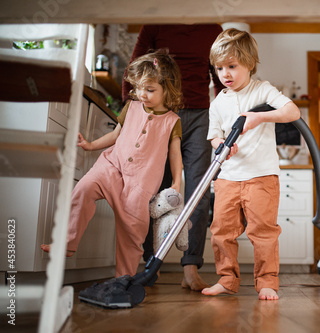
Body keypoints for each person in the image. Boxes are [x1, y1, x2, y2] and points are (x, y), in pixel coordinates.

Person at [42, 49, 183, 278]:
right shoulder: (131, 107)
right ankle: (66, 243)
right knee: (83, 189)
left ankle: (123, 280)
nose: (142, 94)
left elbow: (175, 154)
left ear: (168, 89)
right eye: (138, 88)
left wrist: (176, 182)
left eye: (150, 90)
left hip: (140, 184)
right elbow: (116, 135)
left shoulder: (172, 121)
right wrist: (91, 144)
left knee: (133, 231)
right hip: (111, 165)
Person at [122, 24, 225, 291]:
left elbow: (218, 77)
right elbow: (135, 65)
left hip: (201, 116)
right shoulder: (155, 24)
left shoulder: (212, 29)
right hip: (160, 113)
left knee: (198, 191)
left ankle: (190, 268)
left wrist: (222, 116)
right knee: (152, 188)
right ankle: (149, 265)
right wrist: (131, 112)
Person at [202, 28, 301, 300]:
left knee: (263, 232)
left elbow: (293, 112)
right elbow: (214, 136)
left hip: (262, 177)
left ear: (249, 62)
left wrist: (260, 118)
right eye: (219, 68)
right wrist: (222, 146)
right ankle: (226, 279)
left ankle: (267, 282)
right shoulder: (217, 102)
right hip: (228, 178)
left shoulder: (262, 90)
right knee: (221, 231)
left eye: (232, 66)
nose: (225, 74)